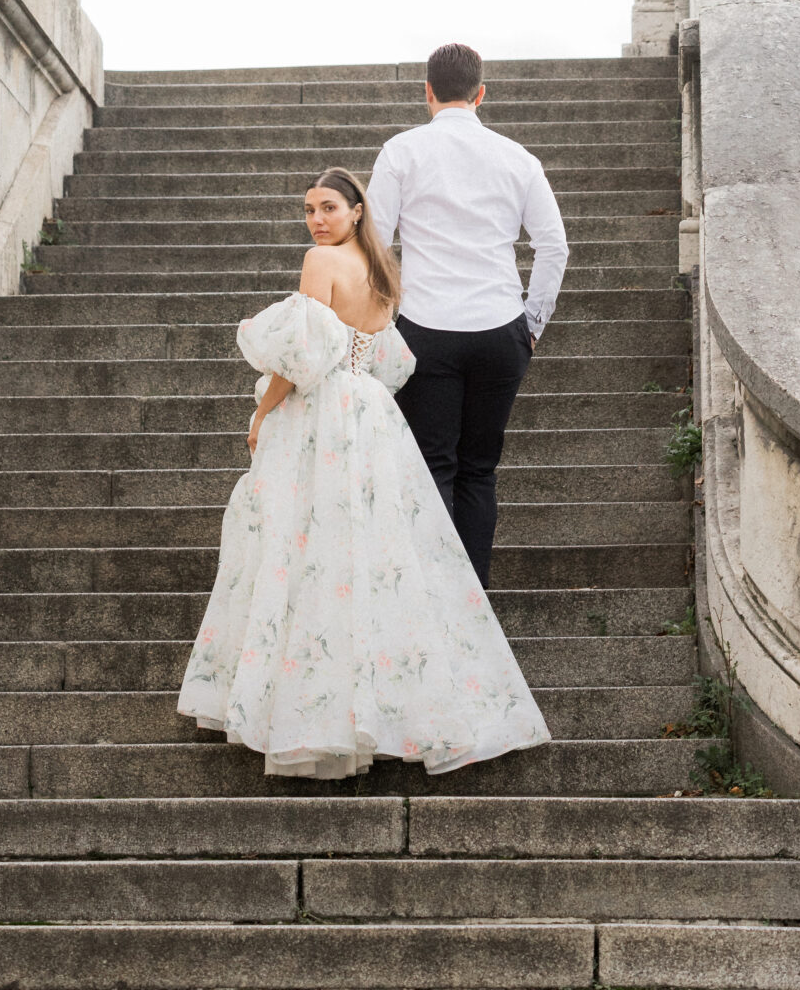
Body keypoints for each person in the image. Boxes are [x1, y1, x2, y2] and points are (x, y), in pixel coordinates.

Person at [175, 164, 548, 779]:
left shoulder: (320, 264)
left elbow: (301, 358)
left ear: (356, 211)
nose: (316, 220)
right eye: (308, 210)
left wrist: (262, 414)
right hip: (370, 412)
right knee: (369, 552)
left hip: (324, 412)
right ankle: (382, 702)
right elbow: (386, 358)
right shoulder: (381, 269)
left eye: (328, 208)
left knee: (310, 545)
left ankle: (314, 707)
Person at [364, 41, 570, 584]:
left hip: (425, 328)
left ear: (427, 93)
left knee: (433, 467)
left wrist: (382, 322)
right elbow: (554, 246)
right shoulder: (519, 159)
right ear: (481, 94)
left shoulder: (401, 152)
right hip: (500, 328)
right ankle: (474, 601)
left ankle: (434, 601)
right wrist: (532, 322)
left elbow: (377, 245)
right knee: (480, 471)